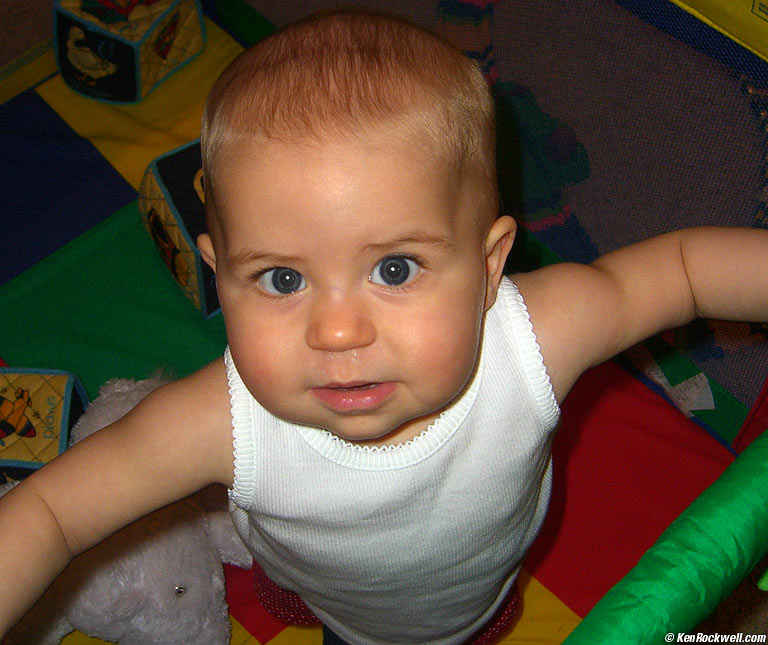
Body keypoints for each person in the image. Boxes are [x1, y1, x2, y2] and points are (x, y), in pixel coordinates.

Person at [2, 8, 768, 644]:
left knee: (480, 621)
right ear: (218, 268)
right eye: (282, 278)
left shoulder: (539, 335)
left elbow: (687, 269)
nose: (337, 332)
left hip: (488, 574)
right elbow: (48, 511)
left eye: (395, 269)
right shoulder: (217, 425)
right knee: (315, 608)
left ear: (491, 264)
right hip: (339, 600)